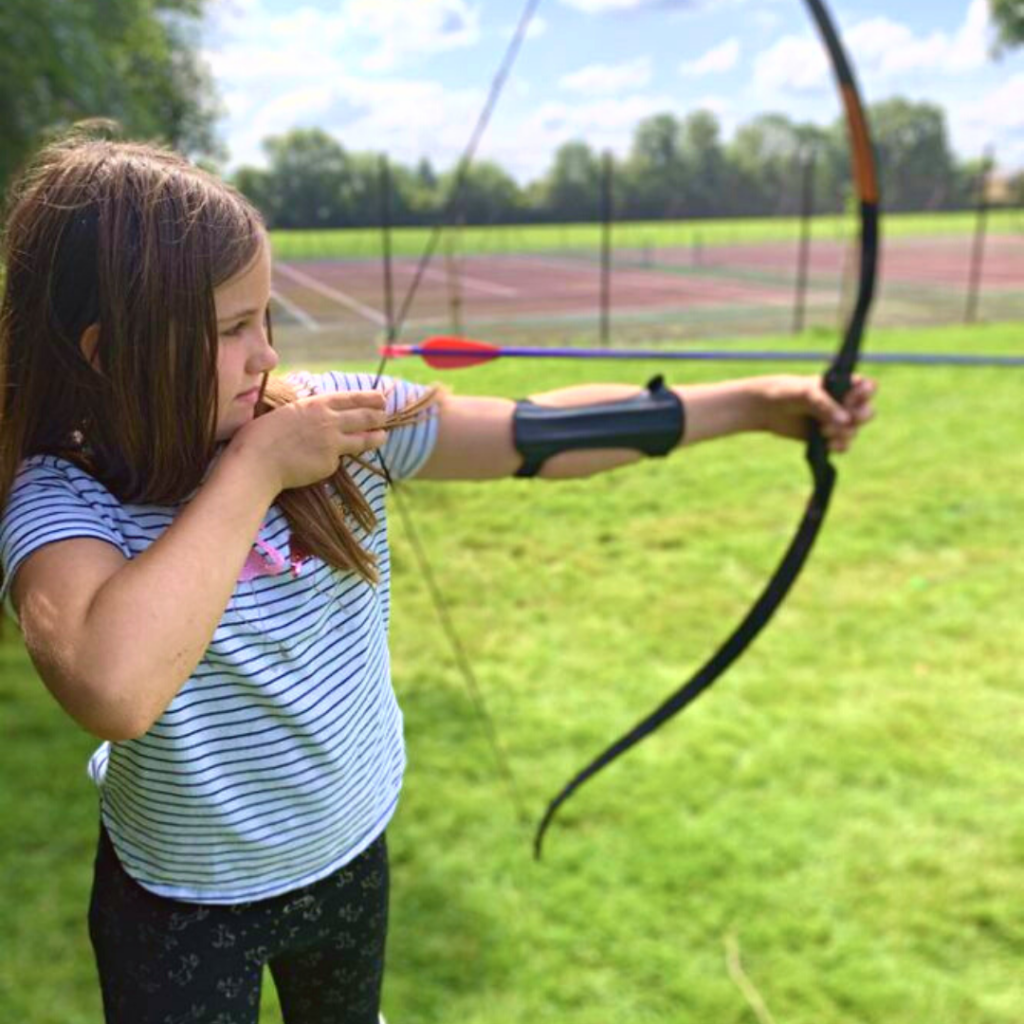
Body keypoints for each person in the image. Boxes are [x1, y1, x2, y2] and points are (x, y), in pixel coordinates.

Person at [0, 127, 876, 1024]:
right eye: (230, 330)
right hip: (180, 903)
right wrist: (254, 471)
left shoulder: (319, 419)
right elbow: (115, 688)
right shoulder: (64, 501)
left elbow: (526, 436)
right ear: (110, 353)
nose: (266, 357)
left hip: (348, 858)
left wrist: (755, 406)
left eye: (266, 319)